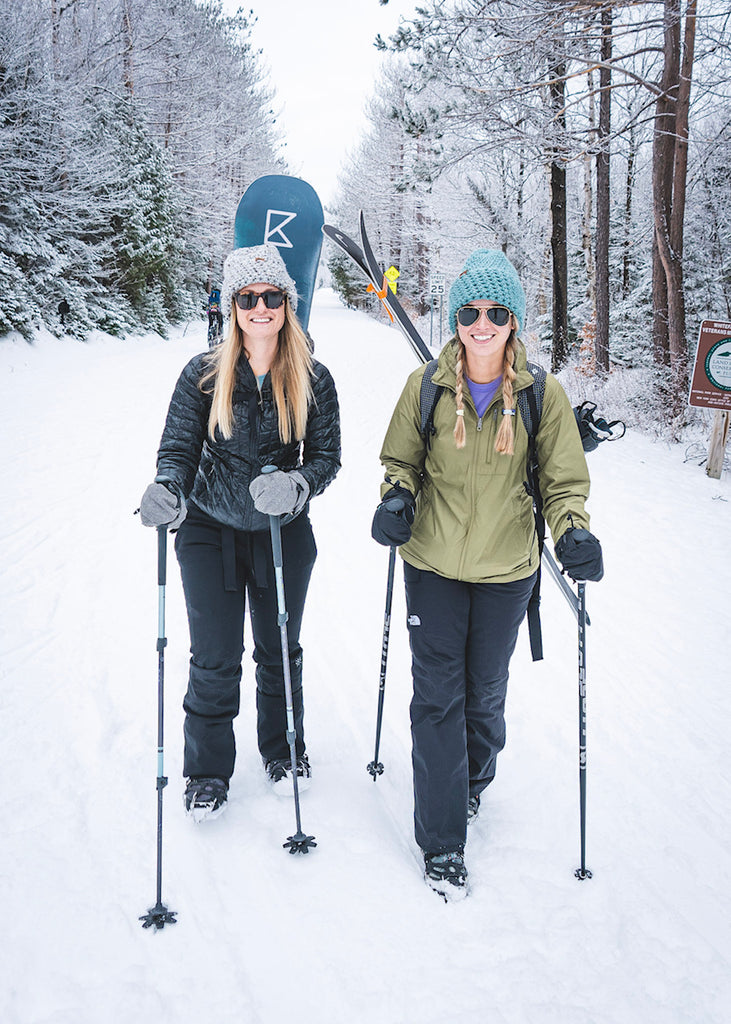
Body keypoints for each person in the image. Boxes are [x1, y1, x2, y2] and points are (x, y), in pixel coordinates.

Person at [370, 249, 603, 900]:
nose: (482, 323)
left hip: (507, 571)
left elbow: (562, 482)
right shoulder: (424, 387)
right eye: (469, 311)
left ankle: (470, 781)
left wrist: (573, 531)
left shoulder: (541, 395)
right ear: (454, 319)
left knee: (484, 694)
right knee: (436, 696)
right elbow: (400, 461)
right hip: (432, 563)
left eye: (496, 312)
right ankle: (442, 838)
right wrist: (396, 498)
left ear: (513, 321)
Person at [139, 243, 340, 821]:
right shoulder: (203, 374)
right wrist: (168, 489)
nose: (260, 308)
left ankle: (284, 752)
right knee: (214, 656)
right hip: (210, 527)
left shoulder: (313, 377)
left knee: (278, 650)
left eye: (271, 296)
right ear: (232, 307)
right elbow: (179, 449)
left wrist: (297, 484)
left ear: (287, 303)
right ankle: (207, 772)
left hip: (281, 529)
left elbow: (327, 457)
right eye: (248, 298)